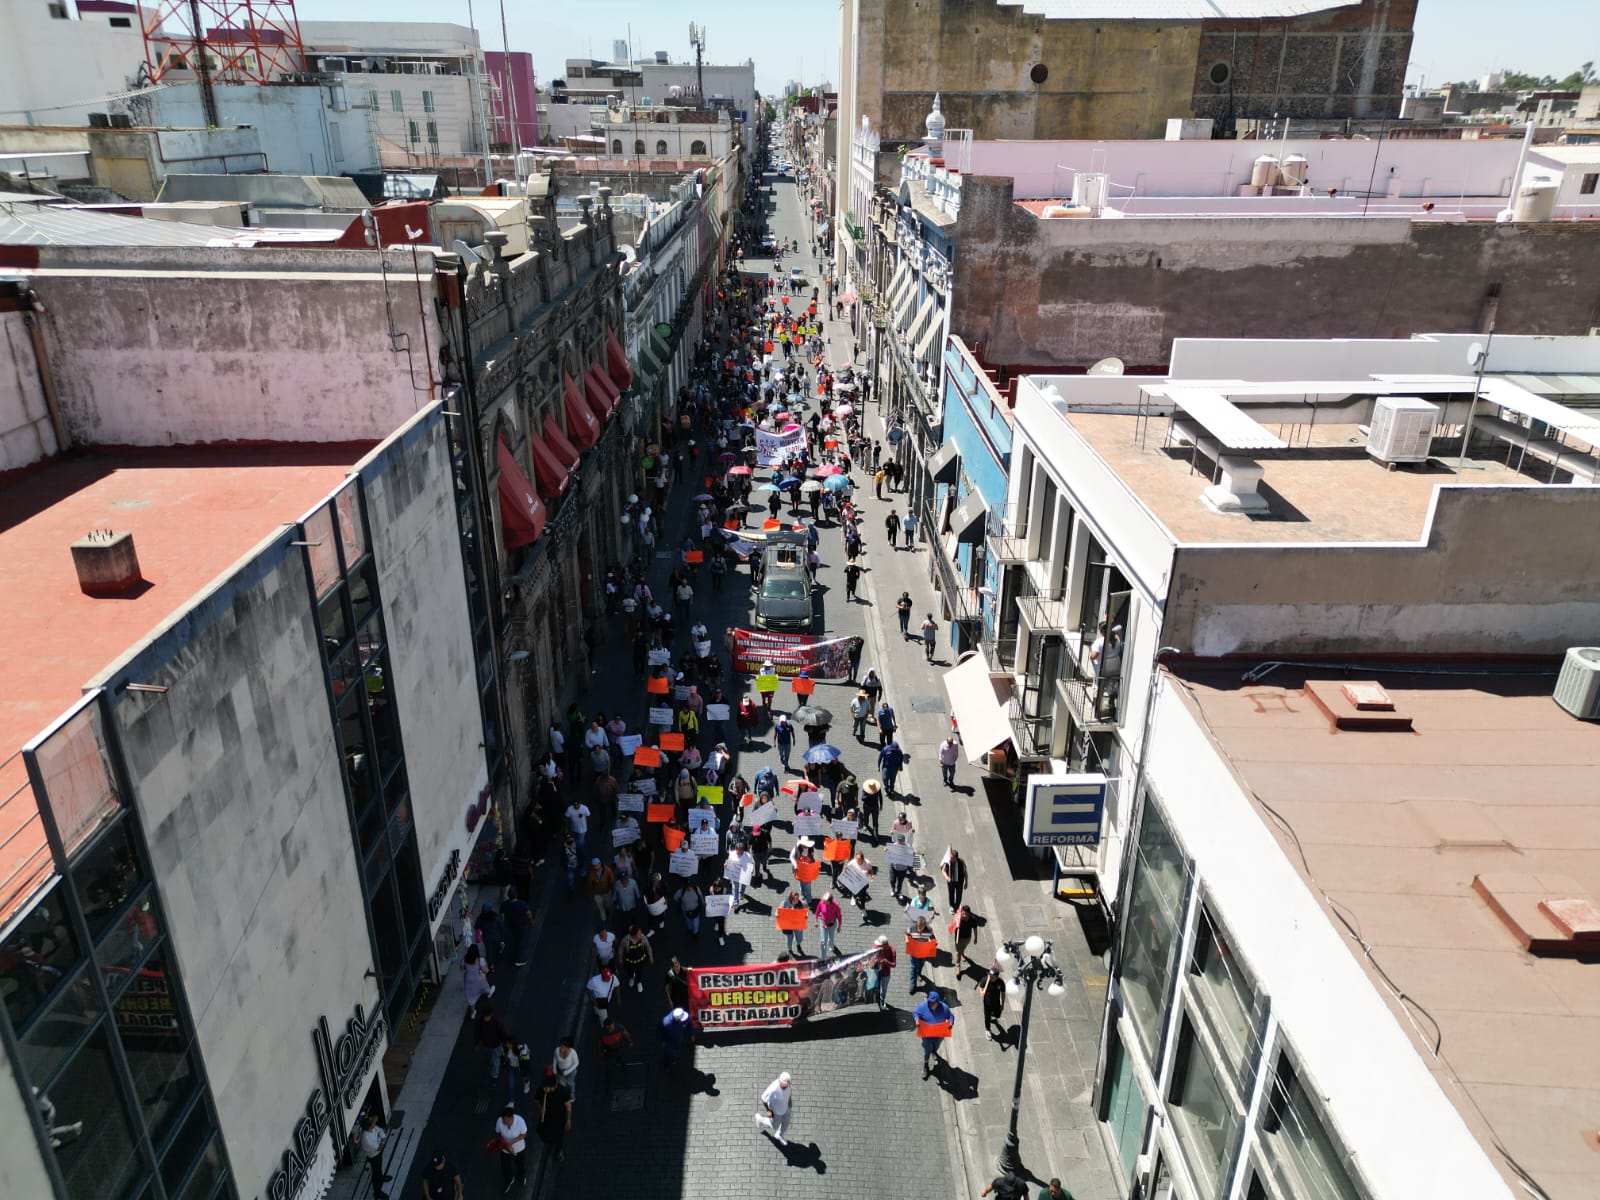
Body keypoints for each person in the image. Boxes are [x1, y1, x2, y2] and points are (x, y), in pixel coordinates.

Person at [912, 989, 955, 1078]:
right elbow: (915, 1013)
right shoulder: (923, 1006)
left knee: (936, 1047)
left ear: (938, 1002)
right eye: (930, 1002)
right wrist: (917, 1019)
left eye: (933, 1003)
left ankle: (933, 1052)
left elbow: (951, 1016)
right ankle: (926, 1065)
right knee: (926, 1051)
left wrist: (950, 1023)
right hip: (927, 1035)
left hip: (939, 1034)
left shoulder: (944, 1008)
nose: (930, 1004)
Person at [534, 1070, 572, 1164]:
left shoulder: (563, 1091)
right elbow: (536, 1100)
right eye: (544, 1088)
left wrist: (568, 1120)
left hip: (559, 1119)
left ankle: (558, 1151)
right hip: (547, 1117)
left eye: (546, 1088)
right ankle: (550, 1144)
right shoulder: (541, 1090)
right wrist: (540, 1108)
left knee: (558, 1137)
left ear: (553, 1087)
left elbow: (568, 1106)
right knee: (544, 1132)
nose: (544, 1090)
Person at [494, 1103, 529, 1190]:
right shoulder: (499, 1121)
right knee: (505, 1166)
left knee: (520, 1165)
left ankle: (521, 1177)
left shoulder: (520, 1121)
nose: (503, 1122)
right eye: (503, 1120)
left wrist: (511, 1142)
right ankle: (509, 1180)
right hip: (505, 1148)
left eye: (505, 1121)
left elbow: (524, 1134)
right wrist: (505, 1144)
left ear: (511, 1118)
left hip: (519, 1148)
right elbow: (498, 1134)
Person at [755, 1072, 794, 1146]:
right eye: (785, 1086)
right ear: (780, 1081)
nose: (787, 1087)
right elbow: (764, 1099)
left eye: (788, 1085)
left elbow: (788, 1093)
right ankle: (760, 1120)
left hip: (786, 1108)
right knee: (774, 1126)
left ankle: (779, 1135)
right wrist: (768, 1110)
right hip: (777, 1111)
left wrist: (789, 1103)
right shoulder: (773, 1089)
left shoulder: (787, 1085)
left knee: (786, 1123)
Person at [358, 1113, 390, 1200]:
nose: (374, 1125)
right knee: (375, 1175)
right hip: (374, 1157)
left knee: (379, 1169)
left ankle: (381, 1177)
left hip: (378, 1154)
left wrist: (381, 1139)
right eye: (372, 1125)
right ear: (368, 1128)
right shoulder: (366, 1140)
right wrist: (382, 1140)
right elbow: (380, 1147)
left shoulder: (372, 1128)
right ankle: (377, 1193)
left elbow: (380, 1131)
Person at [618, 924, 653, 994]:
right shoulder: (626, 940)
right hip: (630, 962)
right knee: (630, 971)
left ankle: (639, 982)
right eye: (639, 934)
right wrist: (620, 959)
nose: (641, 935)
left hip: (640, 961)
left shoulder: (642, 938)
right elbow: (621, 950)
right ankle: (631, 978)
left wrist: (651, 957)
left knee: (639, 971)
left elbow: (648, 946)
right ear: (634, 935)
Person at [907, 917, 937, 993]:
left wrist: (934, 942)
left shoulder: (929, 930)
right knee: (914, 967)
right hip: (914, 951)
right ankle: (913, 985)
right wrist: (907, 940)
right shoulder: (911, 928)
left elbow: (933, 938)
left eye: (921, 927)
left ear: (924, 925)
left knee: (921, 964)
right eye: (918, 927)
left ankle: (919, 973)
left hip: (923, 952)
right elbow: (906, 934)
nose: (919, 929)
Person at [585, 858, 616, 923]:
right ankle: (603, 919)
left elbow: (612, 880)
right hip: (597, 893)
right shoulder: (591, 874)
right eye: (595, 865)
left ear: (600, 864)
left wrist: (610, 888)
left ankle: (608, 911)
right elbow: (590, 884)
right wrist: (592, 892)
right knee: (600, 907)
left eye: (597, 864)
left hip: (607, 892)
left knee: (608, 905)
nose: (596, 866)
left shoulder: (608, 870)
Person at [872, 934, 897, 1009]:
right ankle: (876, 999)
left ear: (885, 945)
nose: (878, 947)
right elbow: (871, 954)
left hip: (885, 974)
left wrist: (886, 962)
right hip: (877, 972)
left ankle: (882, 1000)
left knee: (884, 989)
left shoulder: (892, 951)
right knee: (876, 987)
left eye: (880, 946)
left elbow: (894, 964)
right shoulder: (876, 947)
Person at [779, 889, 808, 956]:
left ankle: (798, 944)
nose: (798, 900)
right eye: (796, 899)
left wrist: (805, 916)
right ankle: (790, 950)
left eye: (798, 898)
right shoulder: (785, 903)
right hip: (788, 925)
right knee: (789, 938)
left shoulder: (801, 903)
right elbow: (778, 912)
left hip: (797, 924)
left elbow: (805, 911)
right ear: (791, 899)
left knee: (799, 937)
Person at [815, 890, 844, 958]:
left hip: (832, 924)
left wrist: (839, 926)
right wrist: (816, 921)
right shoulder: (821, 903)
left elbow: (839, 916)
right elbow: (817, 912)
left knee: (831, 936)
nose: (823, 901)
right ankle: (823, 957)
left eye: (825, 900)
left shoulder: (836, 906)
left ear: (829, 901)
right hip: (823, 923)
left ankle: (831, 944)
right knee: (823, 941)